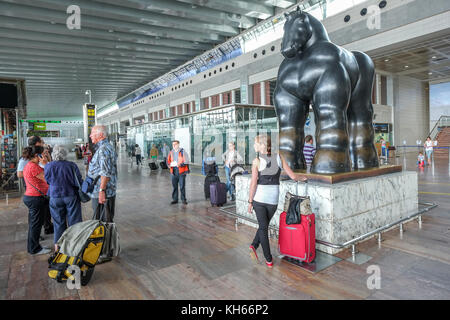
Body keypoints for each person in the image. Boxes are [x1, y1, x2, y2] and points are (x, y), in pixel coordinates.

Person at [247, 134, 307, 268]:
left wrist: (250, 201)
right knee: (264, 226)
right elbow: (293, 176)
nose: (254, 146)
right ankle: (255, 246)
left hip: (259, 199)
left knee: (263, 227)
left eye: (256, 143)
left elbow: (253, 184)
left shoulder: (256, 161)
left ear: (263, 145)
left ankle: (267, 258)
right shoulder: (279, 157)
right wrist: (302, 178)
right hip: (273, 200)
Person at [87, 125, 118, 263]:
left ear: (101, 135)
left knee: (103, 222)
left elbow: (105, 173)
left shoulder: (104, 149)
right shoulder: (105, 147)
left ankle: (105, 252)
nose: (90, 135)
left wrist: (101, 191)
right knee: (104, 220)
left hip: (103, 193)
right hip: (104, 191)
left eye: (93, 133)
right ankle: (106, 249)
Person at [44, 145, 83, 252]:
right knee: (74, 221)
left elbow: (47, 181)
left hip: (55, 196)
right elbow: (78, 181)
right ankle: (74, 246)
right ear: (66, 154)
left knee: (58, 222)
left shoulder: (48, 166)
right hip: (70, 195)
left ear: (53, 154)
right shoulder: (71, 165)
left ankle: (58, 247)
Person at [17, 136, 53, 235]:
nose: (43, 144)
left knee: (45, 212)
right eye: (41, 142)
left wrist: (47, 159)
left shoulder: (37, 159)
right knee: (35, 219)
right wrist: (33, 176)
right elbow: (20, 174)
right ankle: (35, 238)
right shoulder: (29, 162)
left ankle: (46, 227)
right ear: (37, 144)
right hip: (34, 190)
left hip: (41, 190)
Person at [22, 145, 51, 255]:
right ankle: (34, 248)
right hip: (35, 198)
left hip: (33, 197)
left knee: (35, 224)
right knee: (36, 225)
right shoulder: (33, 167)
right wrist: (46, 163)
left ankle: (34, 246)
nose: (44, 155)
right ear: (37, 155)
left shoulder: (32, 165)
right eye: (43, 154)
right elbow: (48, 177)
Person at [167, 140, 190, 205]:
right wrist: (168, 165)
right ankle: (175, 199)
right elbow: (168, 161)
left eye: (175, 144)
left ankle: (183, 199)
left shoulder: (183, 151)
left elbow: (187, 161)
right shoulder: (171, 152)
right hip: (173, 171)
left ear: (178, 144)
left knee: (182, 186)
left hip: (181, 172)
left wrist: (180, 164)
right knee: (174, 186)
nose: (174, 145)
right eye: (173, 144)